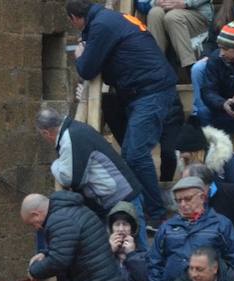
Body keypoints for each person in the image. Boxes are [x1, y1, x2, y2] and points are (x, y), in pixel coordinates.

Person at [68, 0, 178, 221]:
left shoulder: (102, 24)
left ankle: (155, 214)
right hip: (144, 90)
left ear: (74, 18)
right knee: (130, 154)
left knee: (135, 154)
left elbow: (87, 68)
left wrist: (80, 55)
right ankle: (146, 211)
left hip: (151, 91)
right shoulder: (107, 20)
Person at [148, 176, 234, 281]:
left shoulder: (221, 224)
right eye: (178, 200)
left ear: (202, 197)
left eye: (187, 199)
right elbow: (154, 262)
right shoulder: (167, 227)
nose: (182, 204)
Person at [34, 107, 142, 223]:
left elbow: (69, 179)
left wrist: (55, 164)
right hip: (122, 197)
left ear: (46, 133)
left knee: (135, 241)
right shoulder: (75, 128)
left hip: (122, 200)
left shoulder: (71, 137)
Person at [107, 204, 156, 281]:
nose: (121, 229)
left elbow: (145, 280)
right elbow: (95, 278)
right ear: (111, 229)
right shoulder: (101, 254)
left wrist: (131, 255)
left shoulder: (144, 254)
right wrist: (108, 253)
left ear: (133, 229)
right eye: (117, 225)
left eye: (125, 224)